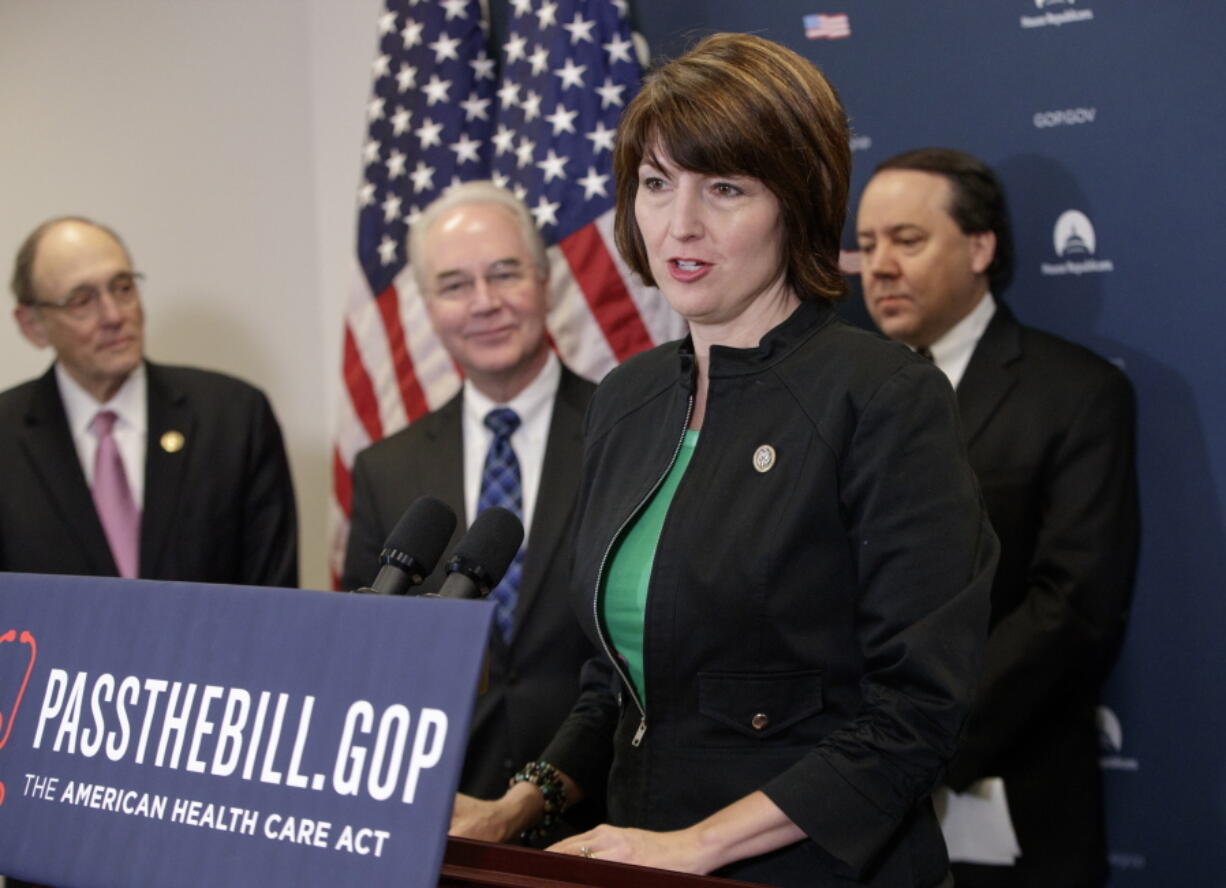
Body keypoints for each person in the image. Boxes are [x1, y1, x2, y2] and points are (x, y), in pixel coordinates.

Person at [449, 34, 997, 887]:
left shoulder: (884, 397)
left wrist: (695, 847)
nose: (680, 225)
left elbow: (916, 713)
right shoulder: (627, 401)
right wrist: (520, 804)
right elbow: (616, 681)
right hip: (635, 858)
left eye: (726, 189)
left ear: (799, 201)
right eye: (657, 185)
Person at [856, 148, 1139, 887]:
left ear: (980, 247)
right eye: (865, 244)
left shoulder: (1076, 393)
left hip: (1013, 811)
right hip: (840, 818)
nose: (879, 265)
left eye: (906, 241)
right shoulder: (836, 396)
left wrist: (912, 740)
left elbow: (1073, 608)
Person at [341, 182, 599, 827]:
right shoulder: (384, 468)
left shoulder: (629, 433)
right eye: (455, 285)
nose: (484, 303)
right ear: (427, 307)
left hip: (603, 818)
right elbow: (367, 664)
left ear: (544, 281)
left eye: (504, 274)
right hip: (441, 820)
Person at [1, 216, 298, 587]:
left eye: (122, 287)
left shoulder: (234, 418)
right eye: (81, 301)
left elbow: (273, 601)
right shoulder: (7, 436)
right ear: (33, 325)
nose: (114, 315)